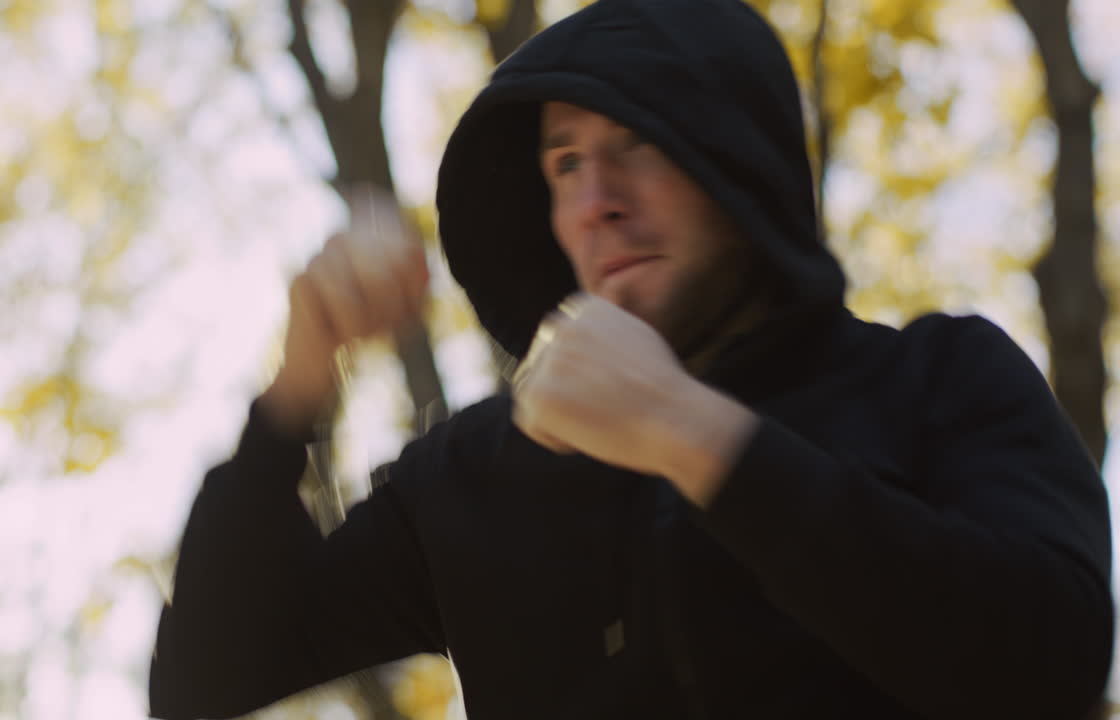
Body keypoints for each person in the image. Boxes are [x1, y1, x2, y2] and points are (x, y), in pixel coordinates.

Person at [148, 0, 1114, 717]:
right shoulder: (475, 472)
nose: (594, 198)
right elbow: (208, 675)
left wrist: (695, 438)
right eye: (564, 161)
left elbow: (1052, 663)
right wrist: (297, 388)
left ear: (738, 162)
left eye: (638, 142)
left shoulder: (938, 380)